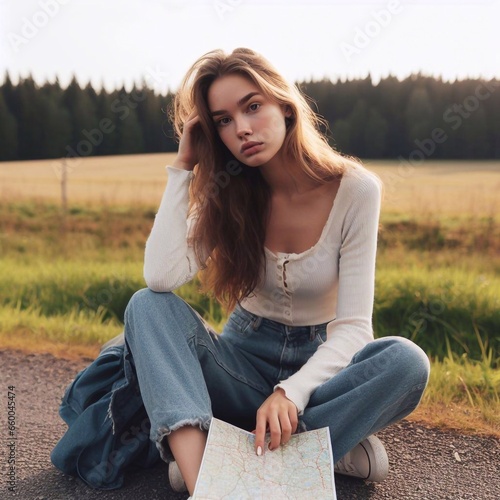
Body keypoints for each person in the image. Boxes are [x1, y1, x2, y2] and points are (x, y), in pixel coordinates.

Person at [53, 47, 430, 497]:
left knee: (406, 361)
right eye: (223, 121)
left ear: (285, 105)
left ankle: (238, 451)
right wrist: (182, 168)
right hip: (239, 365)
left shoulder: (356, 190)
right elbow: (159, 277)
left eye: (252, 106)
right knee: (147, 306)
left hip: (320, 370)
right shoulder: (226, 192)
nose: (242, 129)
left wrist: (290, 392)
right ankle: (211, 483)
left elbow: (352, 330)